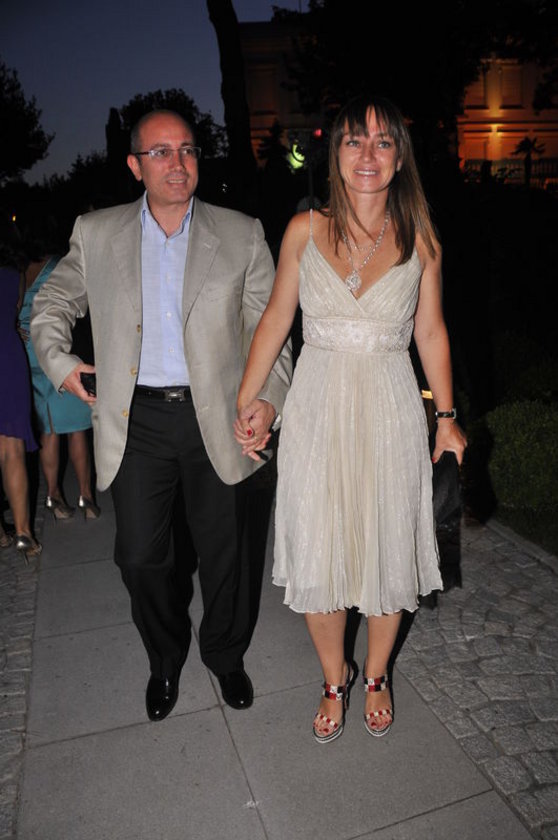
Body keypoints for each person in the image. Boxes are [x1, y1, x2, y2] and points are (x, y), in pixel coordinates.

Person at [31, 109, 292, 722]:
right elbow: (51, 303)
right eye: (161, 152)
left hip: (219, 417)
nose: (178, 163)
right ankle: (166, 656)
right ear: (135, 165)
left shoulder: (241, 233)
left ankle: (224, 654)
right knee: (141, 558)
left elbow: (270, 329)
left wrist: (268, 398)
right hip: (137, 421)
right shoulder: (97, 232)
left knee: (228, 554)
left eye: (187, 149)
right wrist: (62, 364)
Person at [235, 95, 467, 744]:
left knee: (387, 547)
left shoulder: (421, 239)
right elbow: (276, 319)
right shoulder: (303, 230)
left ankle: (377, 674)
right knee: (321, 547)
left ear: (399, 158)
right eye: (354, 141)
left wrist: (446, 418)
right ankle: (334, 678)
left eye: (383, 141)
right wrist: (247, 399)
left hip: (391, 408)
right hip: (317, 409)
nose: (368, 153)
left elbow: (430, 331)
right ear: (335, 154)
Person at [19, 234, 100, 521]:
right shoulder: (58, 265)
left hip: (29, 352)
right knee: (77, 428)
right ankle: (85, 496)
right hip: (56, 352)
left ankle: (53, 495)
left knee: (49, 428)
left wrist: (19, 328)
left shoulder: (18, 270)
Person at [0, 213, 42, 562]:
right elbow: (14, 310)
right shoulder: (16, 270)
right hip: (7, 355)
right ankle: (24, 533)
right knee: (11, 449)